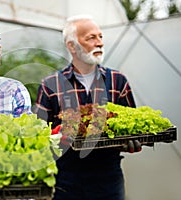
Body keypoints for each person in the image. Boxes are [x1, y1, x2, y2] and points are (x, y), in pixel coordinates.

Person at [34, 15, 141, 200]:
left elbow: (133, 127)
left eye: (100, 37)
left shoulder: (117, 81)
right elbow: (38, 134)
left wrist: (132, 142)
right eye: (91, 38)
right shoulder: (51, 85)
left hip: (108, 177)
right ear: (72, 46)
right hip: (65, 179)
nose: (99, 43)